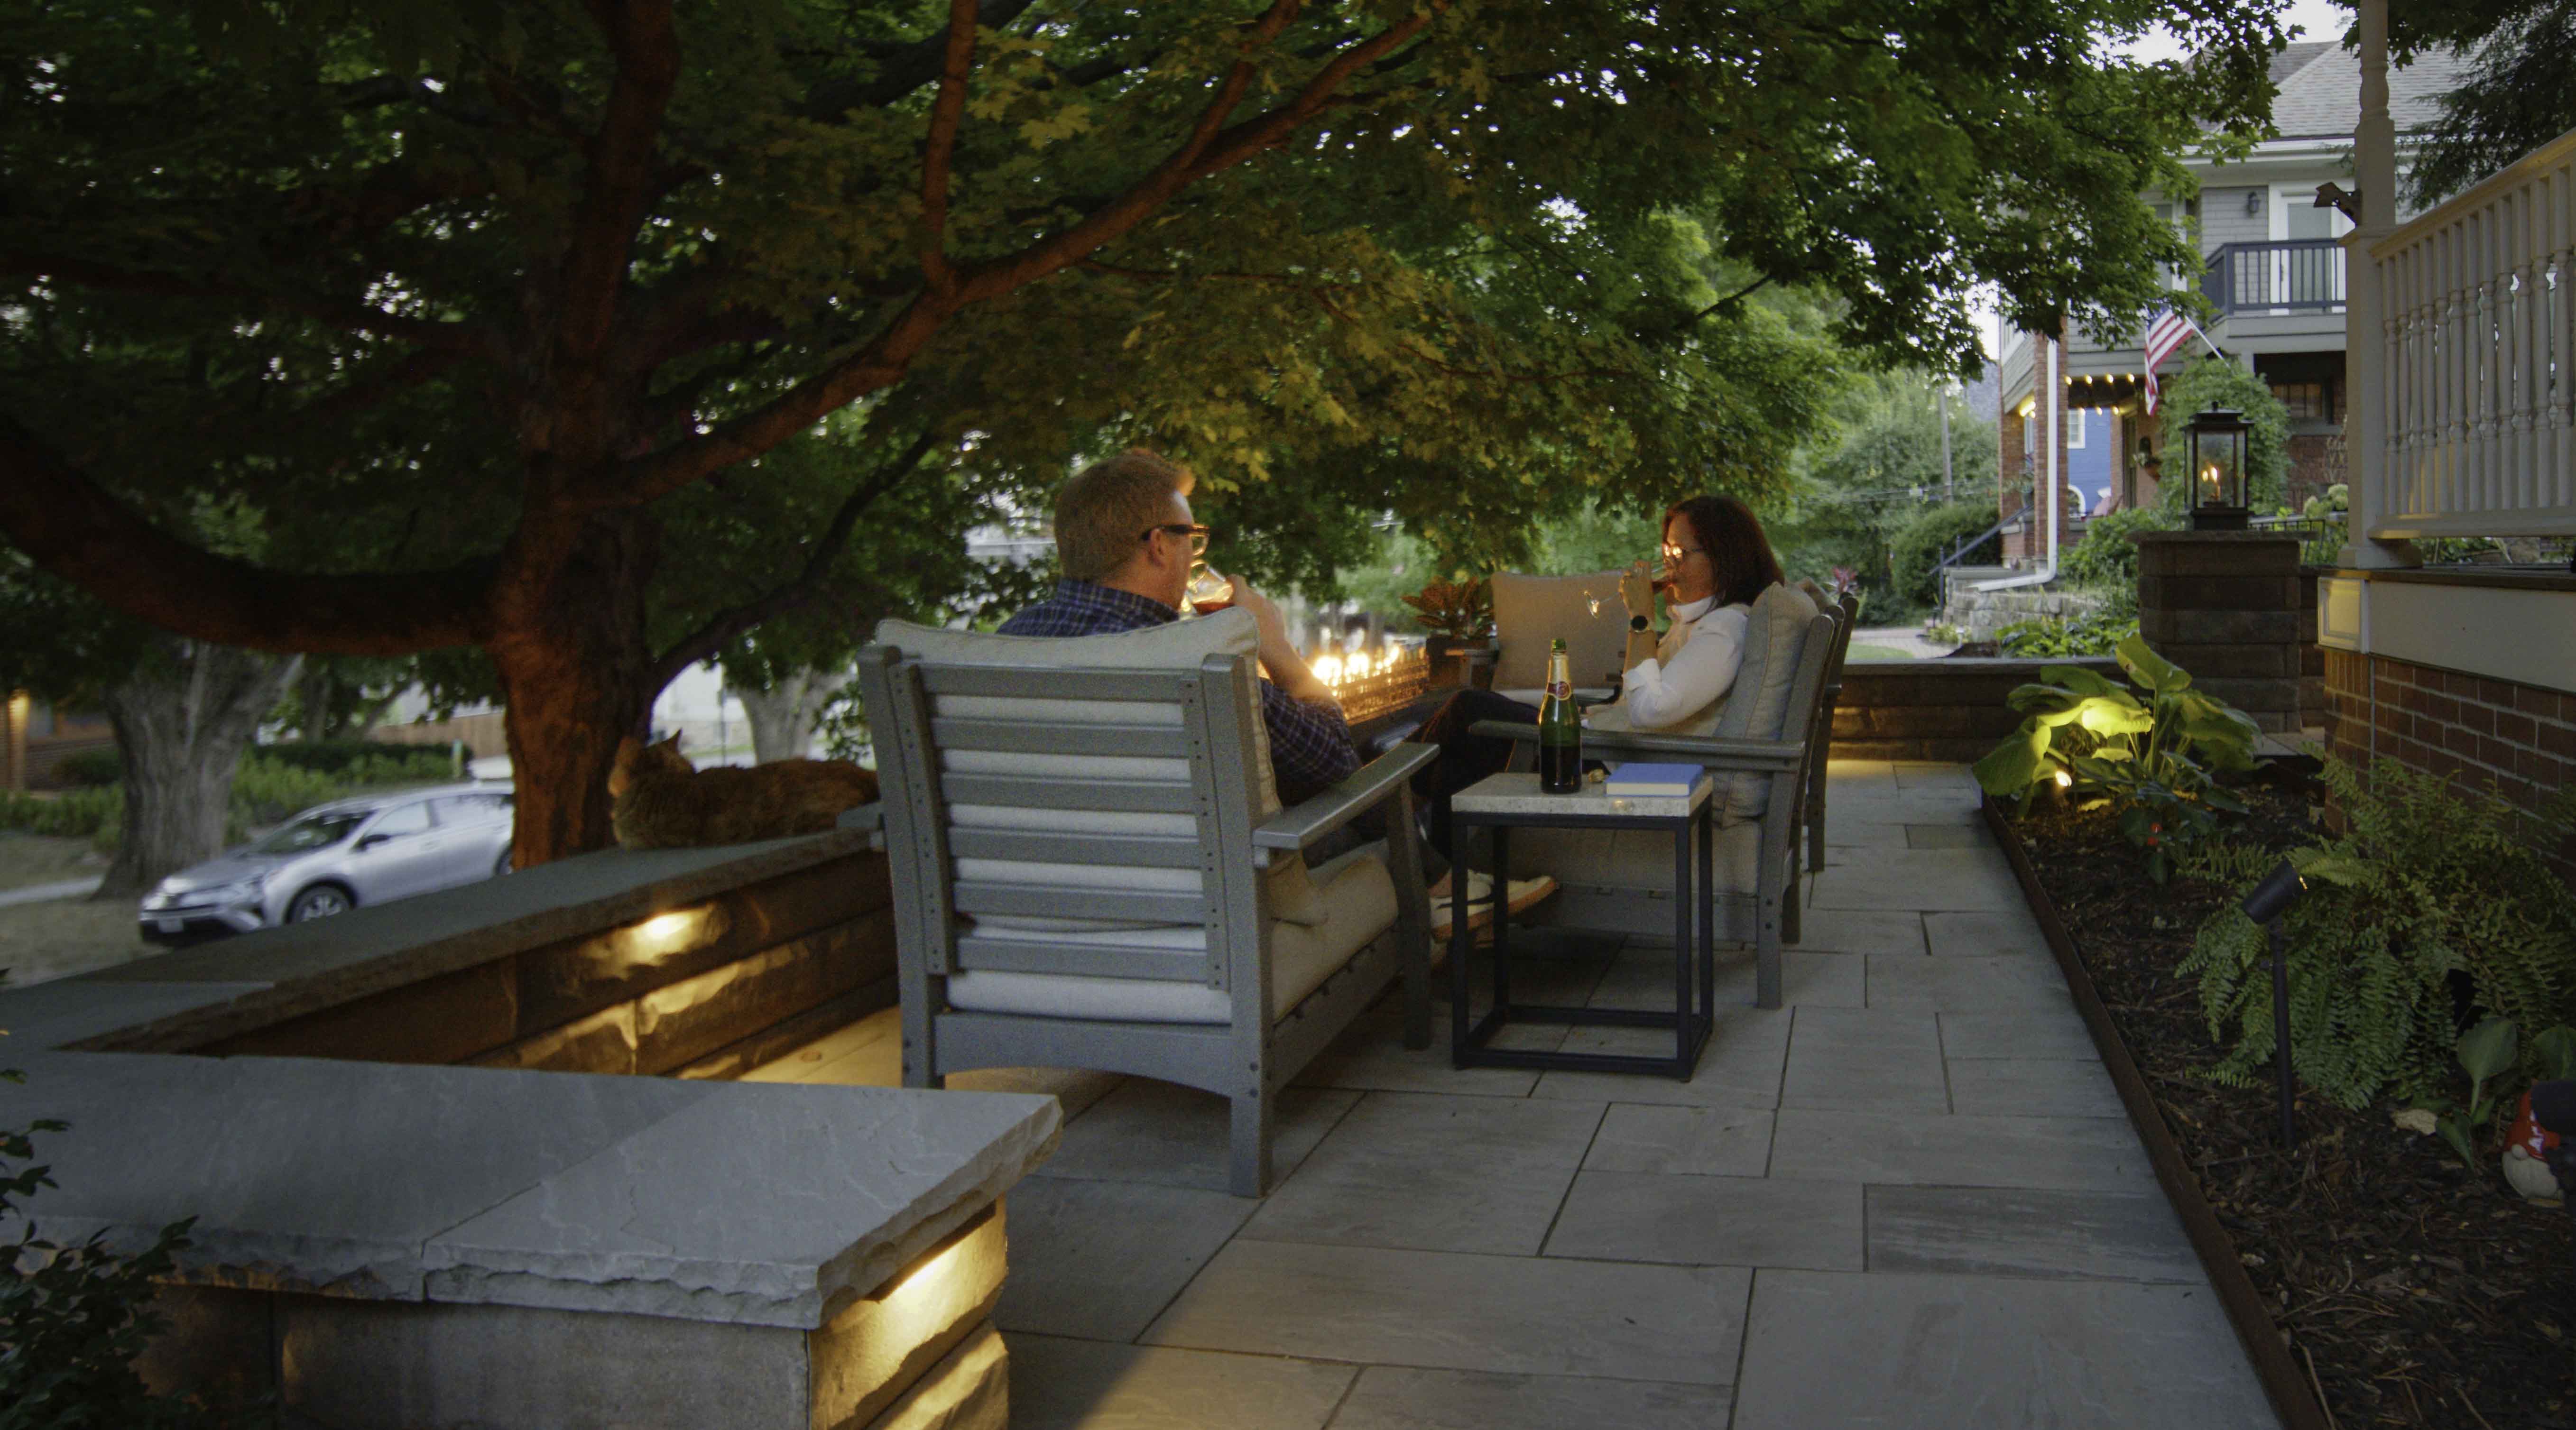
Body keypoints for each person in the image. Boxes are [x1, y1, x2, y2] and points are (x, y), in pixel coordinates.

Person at [1408, 494, 1790, 902]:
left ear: (1723, 555)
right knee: (1451, 761)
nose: (1669, 566)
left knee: (1467, 709)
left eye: (1680, 553)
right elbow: (1632, 695)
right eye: (1666, 552)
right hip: (1604, 747)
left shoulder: (1724, 630)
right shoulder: (1698, 624)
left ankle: (1382, 800)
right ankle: (1449, 888)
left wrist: (1641, 619)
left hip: (1609, 764)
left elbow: (1647, 710)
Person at [997, 449, 1359, 808]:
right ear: (1159, 545)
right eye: (1191, 536)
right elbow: (1337, 763)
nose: (1194, 554)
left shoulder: (1008, 641)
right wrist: (1276, 647)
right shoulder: (1195, 663)